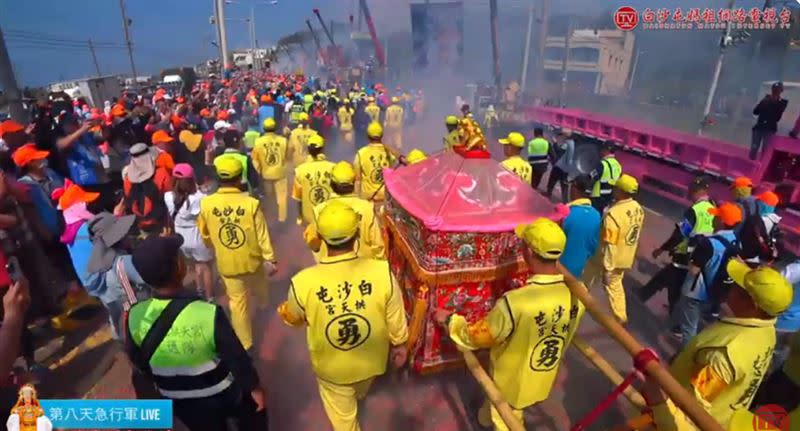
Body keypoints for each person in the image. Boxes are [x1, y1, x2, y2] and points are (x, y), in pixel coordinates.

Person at [435, 218, 584, 430]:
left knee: (506, 418)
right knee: (495, 407)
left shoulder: (515, 303)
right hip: (543, 374)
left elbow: (478, 337)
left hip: (511, 382)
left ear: (530, 252)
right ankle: (482, 419)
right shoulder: (579, 294)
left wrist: (451, 320)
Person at [278, 201, 407, 431]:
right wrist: (400, 346)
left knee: (345, 421)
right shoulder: (382, 272)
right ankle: (358, 395)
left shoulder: (302, 282)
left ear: (322, 238)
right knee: (359, 390)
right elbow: (395, 318)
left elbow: (294, 318)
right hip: (372, 362)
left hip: (332, 370)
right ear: (357, 234)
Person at [125, 235, 268, 431]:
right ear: (179, 268)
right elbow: (237, 358)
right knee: (254, 415)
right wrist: (255, 387)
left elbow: (138, 361)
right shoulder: (207, 313)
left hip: (177, 400)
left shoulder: (135, 315)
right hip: (221, 395)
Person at [646, 260, 792, 430]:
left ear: (752, 305)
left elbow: (691, 411)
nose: (731, 286)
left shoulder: (724, 354)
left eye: (738, 285)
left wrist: (655, 394)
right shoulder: (767, 332)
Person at [198, 157, 278, 352]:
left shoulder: (206, 204)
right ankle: (264, 307)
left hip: (227, 263)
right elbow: (262, 233)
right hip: (253, 261)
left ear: (218, 177)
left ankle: (246, 345)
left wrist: (216, 245)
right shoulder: (251, 203)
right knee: (260, 288)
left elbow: (205, 234)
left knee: (237, 304)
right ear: (239, 177)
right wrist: (270, 258)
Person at [639, 177, 715, 316]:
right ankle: (644, 294)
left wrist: (661, 249)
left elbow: (680, 234)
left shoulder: (694, 210)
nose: (689, 193)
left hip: (686, 252)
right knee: (670, 279)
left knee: (673, 279)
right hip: (701, 253)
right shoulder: (712, 207)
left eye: (692, 190)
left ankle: (674, 320)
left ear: (699, 191)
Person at [672, 202, 742, 346]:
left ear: (722, 221)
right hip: (716, 292)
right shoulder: (736, 242)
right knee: (696, 324)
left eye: (716, 216)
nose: (713, 219)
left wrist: (690, 253)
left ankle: (686, 357)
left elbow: (694, 269)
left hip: (695, 292)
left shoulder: (708, 243)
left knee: (689, 329)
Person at [586, 174, 644, 324]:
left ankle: (578, 301)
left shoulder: (613, 214)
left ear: (621, 191)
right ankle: (621, 316)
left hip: (607, 257)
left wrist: (608, 268)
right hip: (626, 256)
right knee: (616, 287)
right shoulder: (638, 209)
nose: (614, 191)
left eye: (616, 188)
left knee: (590, 278)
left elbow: (610, 243)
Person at [303, 161, 384, 260]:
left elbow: (313, 243)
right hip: (363, 268)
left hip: (330, 268)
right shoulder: (366, 207)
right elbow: (378, 245)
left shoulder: (319, 210)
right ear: (353, 184)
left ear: (331, 184)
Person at [164, 164, 214, 301]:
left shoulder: (168, 196)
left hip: (181, 239)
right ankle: (210, 298)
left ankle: (199, 291)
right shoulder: (198, 198)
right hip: (197, 237)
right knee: (206, 267)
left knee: (196, 265)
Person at [559, 174, 601, 279]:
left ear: (574, 188)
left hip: (558, 268)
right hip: (578, 270)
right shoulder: (596, 215)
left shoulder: (565, 212)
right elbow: (593, 246)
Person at [122, 143, 170, 234]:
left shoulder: (128, 179)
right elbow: (170, 197)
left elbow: (128, 199)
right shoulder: (161, 173)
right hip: (162, 222)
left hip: (140, 224)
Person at [292, 133, 335, 226]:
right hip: (330, 216)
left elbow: (298, 198)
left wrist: (300, 216)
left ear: (308, 150)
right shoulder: (333, 167)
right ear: (323, 149)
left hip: (309, 218)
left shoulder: (300, 170)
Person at [252, 118, 290, 223]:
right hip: (280, 173)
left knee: (269, 198)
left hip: (265, 175)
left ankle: (270, 219)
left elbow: (255, 160)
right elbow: (288, 157)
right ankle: (282, 219)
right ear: (275, 128)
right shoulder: (283, 141)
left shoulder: (258, 142)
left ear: (264, 129)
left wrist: (259, 172)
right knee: (282, 198)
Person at [354, 123, 396, 204]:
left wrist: (357, 200)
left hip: (368, 200)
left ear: (368, 136)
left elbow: (358, 179)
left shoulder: (361, 153)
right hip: (386, 199)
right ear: (382, 135)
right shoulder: (389, 153)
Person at [738, 191, 783, 266]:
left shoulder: (756, 220)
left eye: (759, 202)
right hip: (760, 258)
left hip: (747, 256)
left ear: (763, 204)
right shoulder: (775, 220)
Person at [750, 81, 788, 160]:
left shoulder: (781, 103)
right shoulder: (765, 100)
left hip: (769, 129)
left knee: (765, 150)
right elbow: (755, 111)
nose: (775, 92)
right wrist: (763, 103)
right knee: (754, 148)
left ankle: (760, 167)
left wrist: (776, 105)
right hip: (759, 127)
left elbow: (777, 118)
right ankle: (750, 166)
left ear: (780, 92)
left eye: (777, 90)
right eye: (774, 90)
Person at [588, 140, 622, 213]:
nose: (600, 151)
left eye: (602, 149)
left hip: (597, 197)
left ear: (606, 150)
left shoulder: (602, 164)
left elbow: (590, 177)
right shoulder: (618, 165)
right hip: (609, 197)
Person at [547, 128, 575, 203]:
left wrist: (555, 143)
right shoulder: (572, 143)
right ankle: (565, 201)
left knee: (552, 181)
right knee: (564, 185)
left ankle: (548, 195)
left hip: (560, 167)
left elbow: (559, 151)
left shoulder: (567, 143)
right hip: (566, 168)